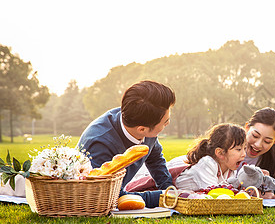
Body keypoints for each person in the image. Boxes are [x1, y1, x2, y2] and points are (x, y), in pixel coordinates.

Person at [77, 80, 176, 208]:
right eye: (165, 122)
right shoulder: (99, 143)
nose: (168, 124)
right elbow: (108, 196)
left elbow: (155, 159)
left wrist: (169, 189)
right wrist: (161, 197)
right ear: (142, 129)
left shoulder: (143, 119)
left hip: (120, 188)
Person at [174, 123, 246, 191]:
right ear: (220, 153)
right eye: (238, 149)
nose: (244, 154)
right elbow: (214, 196)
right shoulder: (207, 164)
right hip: (174, 196)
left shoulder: (231, 170)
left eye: (245, 148)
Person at [241, 107, 275, 188]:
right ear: (247, 128)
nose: (258, 144)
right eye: (255, 136)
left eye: (267, 141)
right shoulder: (228, 147)